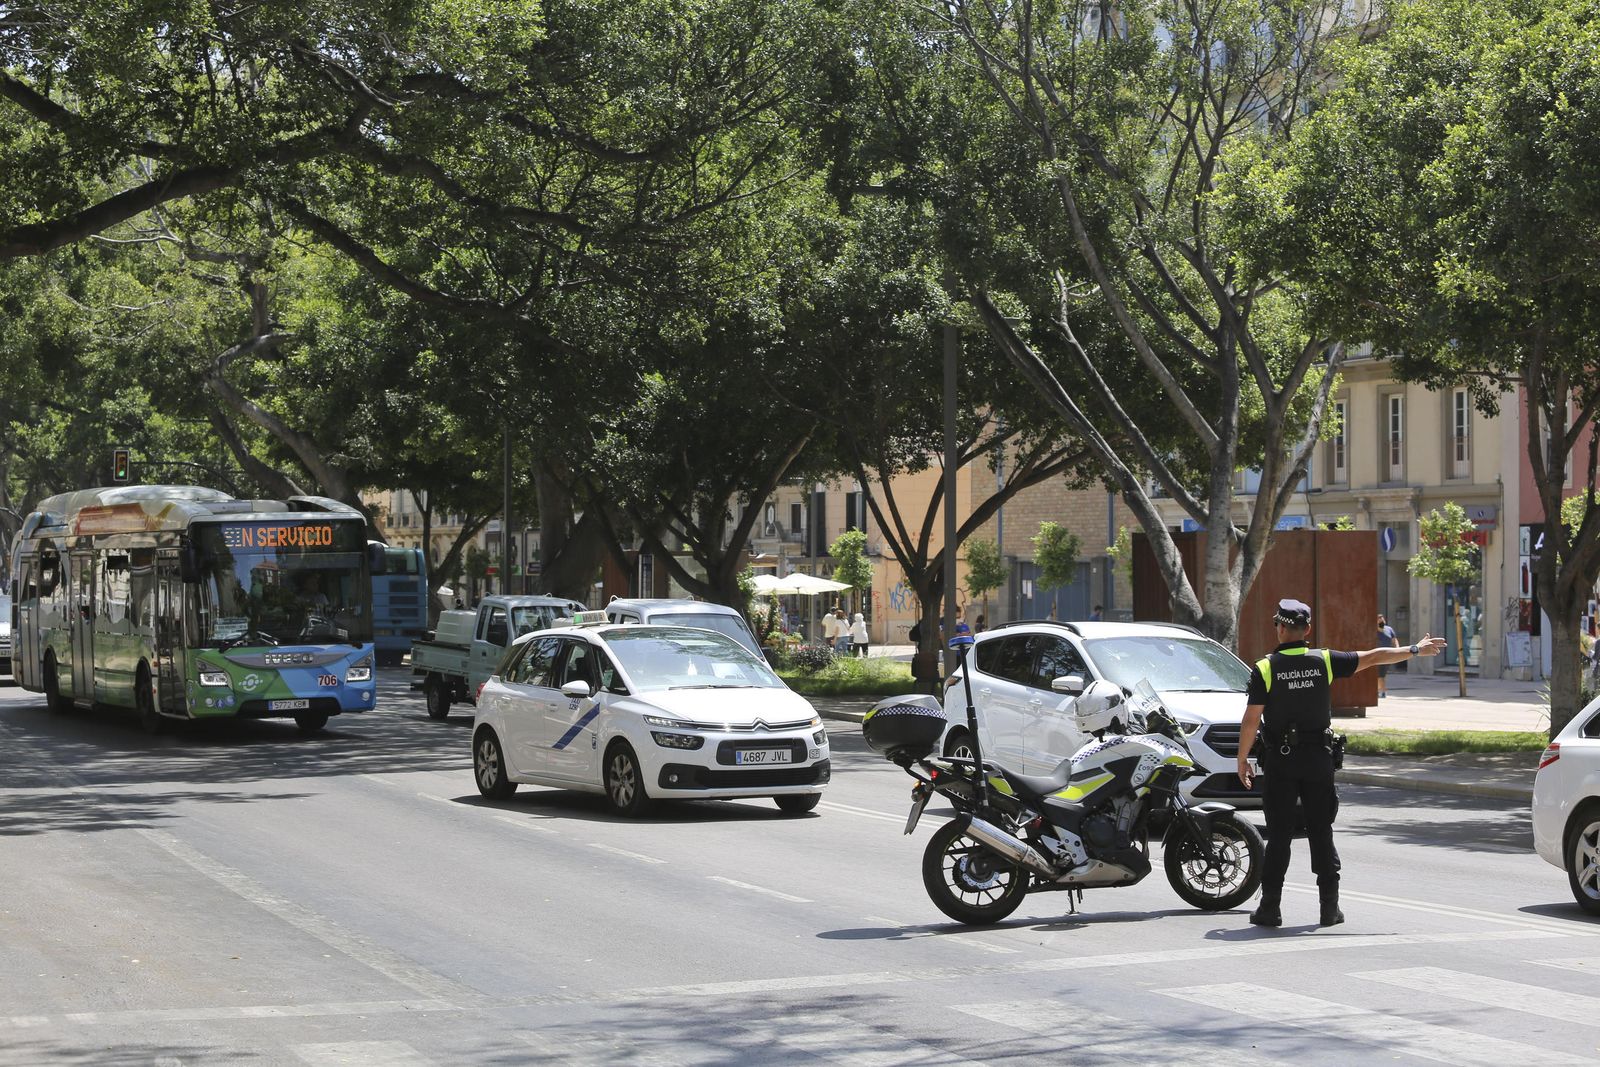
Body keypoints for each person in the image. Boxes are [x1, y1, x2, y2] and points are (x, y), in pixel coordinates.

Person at [1237, 598, 1445, 928]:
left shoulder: (1265, 667)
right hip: (1318, 761)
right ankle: (1329, 909)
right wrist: (1415, 649)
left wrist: (1243, 758)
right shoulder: (1325, 661)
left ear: (1280, 628)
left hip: (1282, 762)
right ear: (1307, 630)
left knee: (1279, 836)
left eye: (1279, 624)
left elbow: (1251, 720)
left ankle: (1270, 909)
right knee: (1321, 832)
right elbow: (1375, 656)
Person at [1376, 613, 1398, 698]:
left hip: (1388, 654)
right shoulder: (1374, 630)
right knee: (1380, 675)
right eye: (1379, 618)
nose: (1381, 620)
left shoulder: (1389, 629)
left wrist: (1397, 648)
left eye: (1382, 618)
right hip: (1378, 655)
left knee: (1382, 674)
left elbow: (1394, 639)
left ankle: (1380, 691)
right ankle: (1382, 691)